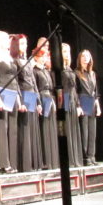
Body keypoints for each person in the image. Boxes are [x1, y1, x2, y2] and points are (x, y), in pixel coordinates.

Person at [0, 30, 21, 173]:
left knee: (13, 129)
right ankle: (3, 163)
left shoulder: (9, 57)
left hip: (13, 94)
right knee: (3, 127)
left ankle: (13, 162)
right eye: (5, 39)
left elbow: (15, 79)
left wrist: (19, 98)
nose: (8, 42)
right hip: (2, 93)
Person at [12, 34, 42, 171]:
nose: (25, 46)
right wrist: (20, 99)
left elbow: (34, 82)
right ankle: (25, 164)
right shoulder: (15, 61)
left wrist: (39, 102)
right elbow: (16, 82)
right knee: (25, 128)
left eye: (26, 43)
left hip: (32, 95)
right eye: (22, 43)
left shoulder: (28, 60)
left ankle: (35, 163)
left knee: (33, 128)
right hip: (23, 94)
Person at [33, 38, 58, 169]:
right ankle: (45, 160)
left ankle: (53, 159)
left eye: (45, 57)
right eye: (41, 56)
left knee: (51, 127)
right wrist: (38, 102)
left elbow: (51, 87)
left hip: (49, 97)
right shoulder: (35, 71)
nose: (43, 59)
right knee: (44, 127)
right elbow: (36, 88)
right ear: (36, 57)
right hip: (42, 97)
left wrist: (53, 101)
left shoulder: (46, 71)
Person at [76, 49, 101, 166]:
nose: (85, 58)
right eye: (83, 56)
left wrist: (98, 106)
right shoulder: (77, 73)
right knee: (84, 131)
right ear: (79, 59)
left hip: (92, 102)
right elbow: (76, 91)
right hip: (83, 101)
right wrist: (78, 105)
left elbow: (95, 92)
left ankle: (92, 156)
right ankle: (85, 157)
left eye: (87, 56)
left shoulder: (93, 74)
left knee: (92, 131)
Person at [61, 43, 84, 167]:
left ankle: (76, 159)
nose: (67, 54)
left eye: (68, 51)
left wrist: (78, 105)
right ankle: (69, 160)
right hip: (64, 99)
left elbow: (74, 88)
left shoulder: (69, 69)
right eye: (64, 51)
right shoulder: (59, 69)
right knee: (67, 130)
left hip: (73, 100)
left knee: (74, 130)